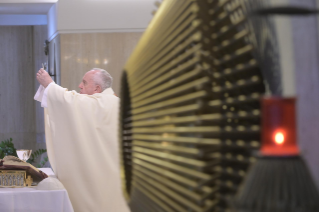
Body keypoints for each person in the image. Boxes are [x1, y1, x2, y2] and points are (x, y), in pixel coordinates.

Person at [34, 68, 130, 212]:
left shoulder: (103, 103)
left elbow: (71, 101)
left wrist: (50, 85)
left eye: (84, 82)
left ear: (97, 88)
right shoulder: (115, 103)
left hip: (100, 177)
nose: (79, 85)